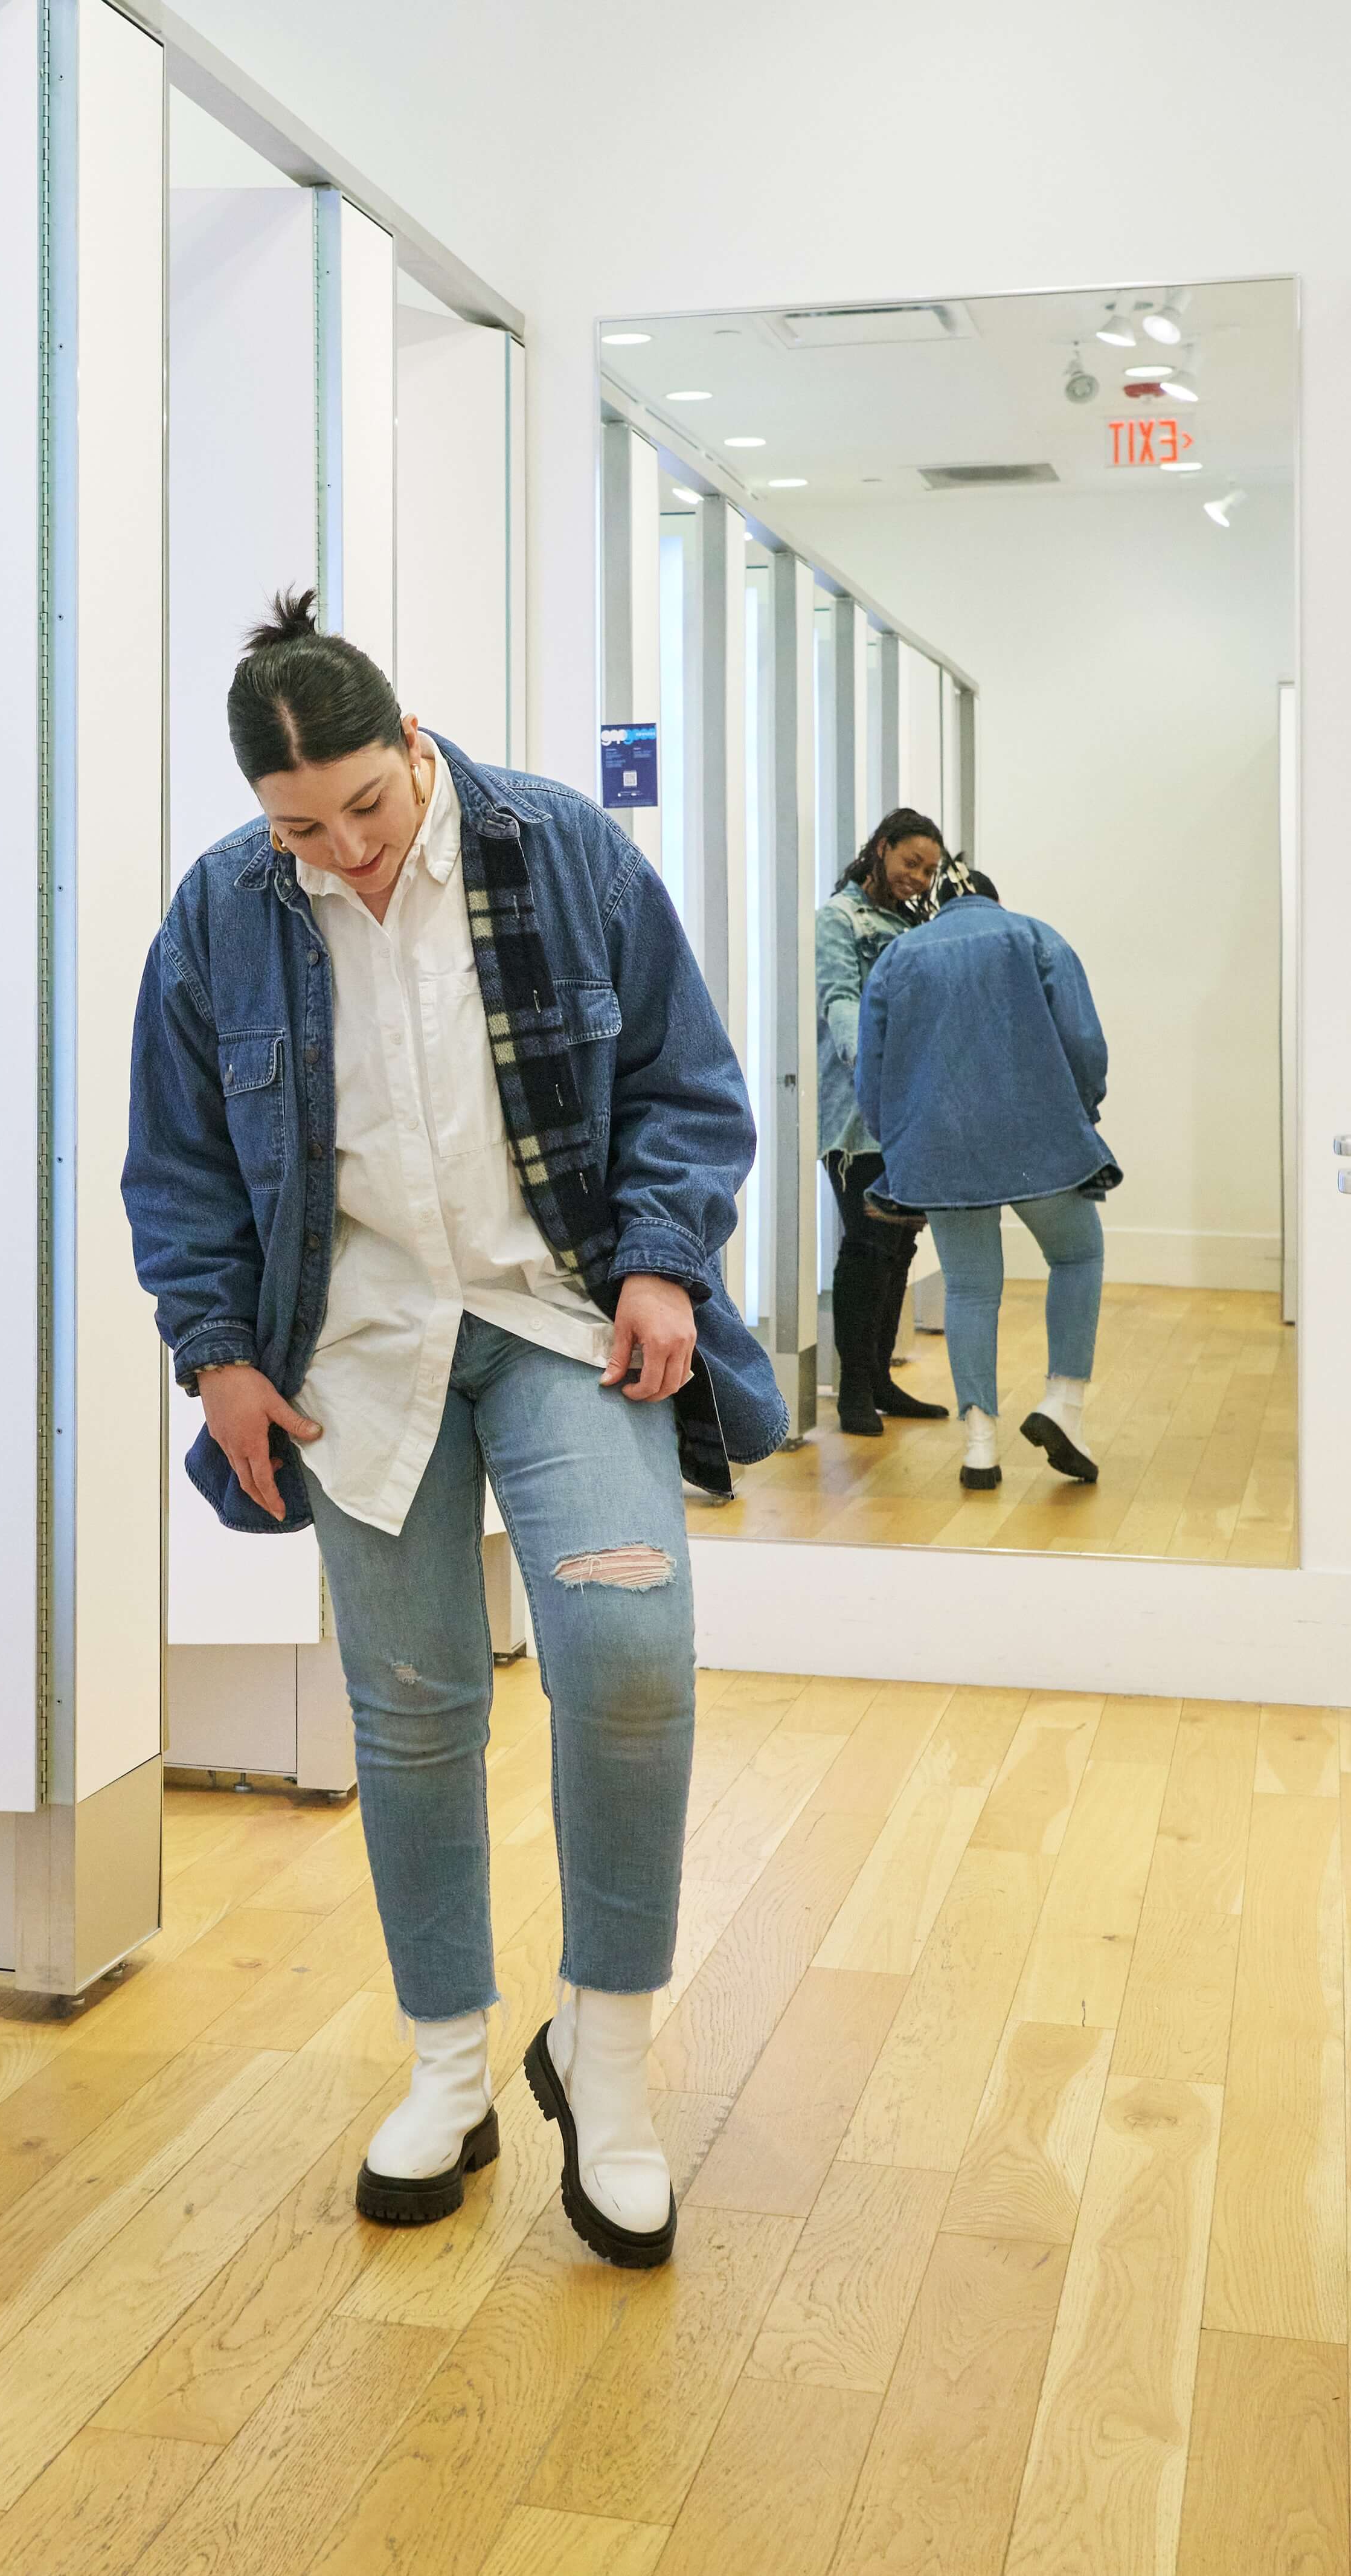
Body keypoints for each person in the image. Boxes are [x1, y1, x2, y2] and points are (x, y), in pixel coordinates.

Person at [123, 594, 786, 2274]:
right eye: (300, 826)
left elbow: (689, 1086)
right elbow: (183, 1167)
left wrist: (659, 1260)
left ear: (413, 746)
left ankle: (608, 2062)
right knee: (410, 1710)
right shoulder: (217, 917)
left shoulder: (560, 851)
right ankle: (446, 2068)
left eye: (366, 804)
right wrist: (215, 1359)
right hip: (352, 1349)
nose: (341, 847)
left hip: (560, 1319)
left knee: (629, 1657)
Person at [856, 873, 1117, 1493]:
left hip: (939, 1143)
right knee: (1077, 1255)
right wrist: (1080, 1112)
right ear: (993, 900)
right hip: (1036, 1131)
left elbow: (873, 1066)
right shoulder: (1034, 937)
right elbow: (1083, 1040)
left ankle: (978, 1444)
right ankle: (1063, 1404)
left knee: (971, 1289)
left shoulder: (900, 954)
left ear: (939, 907)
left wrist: (897, 1140)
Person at [816, 809, 952, 1434]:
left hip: (912, 1113)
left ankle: (879, 1381)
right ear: (880, 849)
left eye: (929, 870)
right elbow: (839, 1000)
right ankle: (851, 1392)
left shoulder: (913, 926)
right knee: (867, 1245)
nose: (919, 878)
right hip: (856, 1115)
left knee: (900, 1243)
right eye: (910, 863)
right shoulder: (838, 919)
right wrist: (870, 1070)